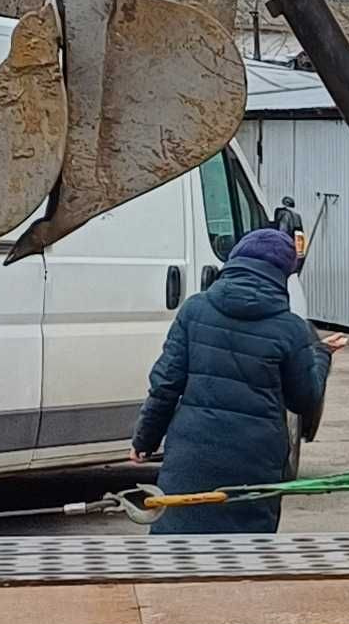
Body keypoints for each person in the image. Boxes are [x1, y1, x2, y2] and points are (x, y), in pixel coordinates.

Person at [136, 225, 332, 536]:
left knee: (173, 554)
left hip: (191, 457)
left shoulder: (194, 310)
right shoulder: (291, 329)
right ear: (283, 275)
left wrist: (144, 441)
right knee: (243, 558)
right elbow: (304, 400)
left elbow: (166, 384)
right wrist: (321, 355)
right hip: (255, 463)